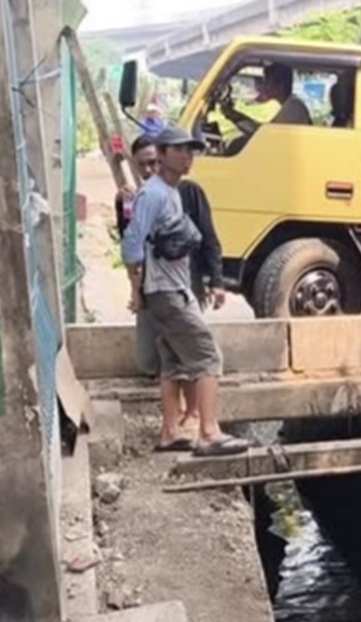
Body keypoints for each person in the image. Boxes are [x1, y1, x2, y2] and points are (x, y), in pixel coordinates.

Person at [120, 126, 247, 457]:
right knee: (208, 356)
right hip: (167, 291)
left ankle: (170, 431)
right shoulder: (155, 194)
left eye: (190, 150)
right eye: (179, 150)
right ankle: (208, 432)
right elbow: (132, 242)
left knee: (174, 362)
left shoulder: (173, 192)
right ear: (161, 155)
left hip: (173, 288)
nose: (187, 156)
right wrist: (137, 287)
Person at [222, 63, 312, 136]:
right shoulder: (290, 103)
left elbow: (263, 135)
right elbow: (263, 129)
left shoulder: (293, 107)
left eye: (267, 81)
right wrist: (235, 116)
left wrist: (234, 117)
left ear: (280, 85)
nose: (264, 85)